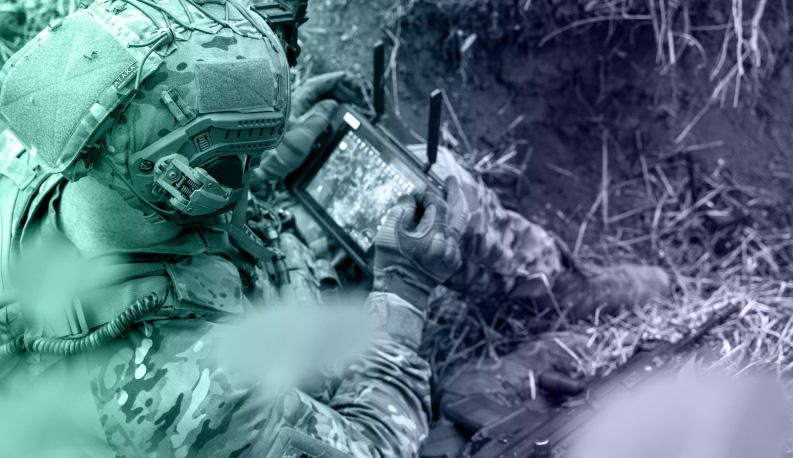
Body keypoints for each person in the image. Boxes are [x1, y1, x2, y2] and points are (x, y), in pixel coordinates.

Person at [0, 1, 668, 458]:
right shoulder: (176, 393)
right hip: (241, 392)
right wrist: (401, 297)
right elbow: (373, 445)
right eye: (237, 160)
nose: (257, 162)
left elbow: (151, 184)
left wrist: (259, 160)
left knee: (427, 182)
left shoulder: (62, 137)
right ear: (185, 180)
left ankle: (562, 286)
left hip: (226, 278)